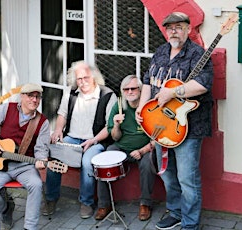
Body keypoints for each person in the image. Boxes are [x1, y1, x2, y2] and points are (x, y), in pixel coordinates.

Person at [136, 12, 213, 230]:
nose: (173, 31)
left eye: (178, 27)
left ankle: (190, 223)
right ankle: (176, 212)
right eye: (169, 27)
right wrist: (142, 106)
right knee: (167, 173)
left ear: (188, 29)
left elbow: (203, 84)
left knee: (187, 178)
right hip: (160, 124)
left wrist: (173, 93)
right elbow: (147, 80)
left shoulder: (198, 54)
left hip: (189, 127)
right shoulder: (160, 52)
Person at [43, 60, 116, 219]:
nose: (82, 83)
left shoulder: (107, 95)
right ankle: (50, 198)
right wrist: (57, 130)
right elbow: (62, 114)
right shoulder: (71, 93)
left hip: (96, 140)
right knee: (55, 159)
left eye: (86, 78)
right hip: (72, 137)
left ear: (94, 76)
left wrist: (94, 140)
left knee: (87, 162)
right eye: (79, 79)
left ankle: (86, 202)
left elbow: (109, 127)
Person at [0, 83, 50, 230]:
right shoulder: (7, 109)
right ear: (22, 97)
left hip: (25, 166)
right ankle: (6, 209)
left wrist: (42, 160)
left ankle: (30, 227)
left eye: (37, 97)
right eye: (30, 96)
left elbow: (41, 148)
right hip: (1, 165)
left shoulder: (43, 122)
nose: (34, 100)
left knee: (36, 185)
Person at [100, 75, 156, 221]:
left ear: (140, 90)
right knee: (105, 158)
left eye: (133, 88)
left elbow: (157, 138)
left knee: (147, 162)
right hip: (121, 147)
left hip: (143, 149)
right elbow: (115, 137)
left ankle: (145, 203)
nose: (130, 92)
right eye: (126, 89)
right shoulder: (119, 105)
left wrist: (142, 151)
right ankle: (104, 204)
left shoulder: (149, 106)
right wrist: (117, 124)